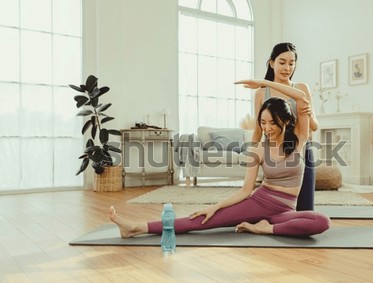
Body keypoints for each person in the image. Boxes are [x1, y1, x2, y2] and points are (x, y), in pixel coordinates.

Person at [109, 79, 330, 238]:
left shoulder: (300, 139)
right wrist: (215, 206)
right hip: (258, 204)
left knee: (321, 221)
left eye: (272, 122)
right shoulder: (259, 149)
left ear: (285, 120)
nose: (267, 128)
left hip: (284, 212)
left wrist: (264, 83)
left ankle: (263, 228)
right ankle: (137, 227)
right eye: (263, 122)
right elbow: (246, 190)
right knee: (201, 221)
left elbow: (300, 96)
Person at [252, 42, 318, 211]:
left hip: (301, 151)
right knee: (277, 208)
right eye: (282, 62)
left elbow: (315, 127)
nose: (287, 68)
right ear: (272, 63)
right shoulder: (261, 93)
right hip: (274, 153)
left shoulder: (301, 89)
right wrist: (253, 156)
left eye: (291, 63)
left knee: (305, 209)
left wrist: (310, 113)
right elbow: (258, 129)